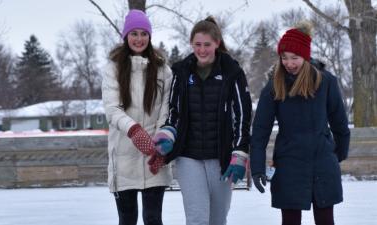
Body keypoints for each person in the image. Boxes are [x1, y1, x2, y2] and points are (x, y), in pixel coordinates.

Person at [152, 16, 252, 225]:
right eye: (197, 44)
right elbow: (174, 112)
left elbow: (242, 115)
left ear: (217, 43)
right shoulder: (181, 72)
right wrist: (167, 134)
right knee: (197, 218)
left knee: (217, 219)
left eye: (207, 44)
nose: (202, 50)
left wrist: (240, 153)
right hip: (189, 158)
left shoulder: (232, 72)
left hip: (221, 159)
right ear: (191, 44)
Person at [250, 21, 350, 225]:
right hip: (289, 165)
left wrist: (336, 156)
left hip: (322, 165)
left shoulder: (326, 82)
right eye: (284, 58)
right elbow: (260, 131)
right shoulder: (274, 87)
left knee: (325, 220)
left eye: (294, 58)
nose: (289, 63)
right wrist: (257, 167)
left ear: (305, 57)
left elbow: (340, 125)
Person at [101, 9, 173, 225]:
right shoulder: (113, 69)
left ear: (150, 36)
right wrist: (134, 130)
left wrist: (160, 142)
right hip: (123, 157)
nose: (139, 38)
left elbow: (166, 109)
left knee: (153, 218)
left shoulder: (163, 70)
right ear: (126, 36)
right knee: (127, 219)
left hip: (154, 156)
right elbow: (112, 109)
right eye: (134, 33)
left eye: (144, 33)